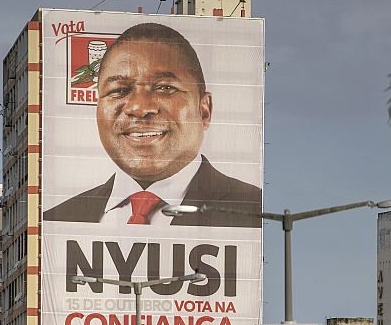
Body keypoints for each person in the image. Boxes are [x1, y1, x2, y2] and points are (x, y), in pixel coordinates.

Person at [43, 22, 262, 228]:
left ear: (204, 110)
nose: (139, 108)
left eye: (165, 88)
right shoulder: (60, 219)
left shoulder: (250, 208)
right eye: (119, 90)